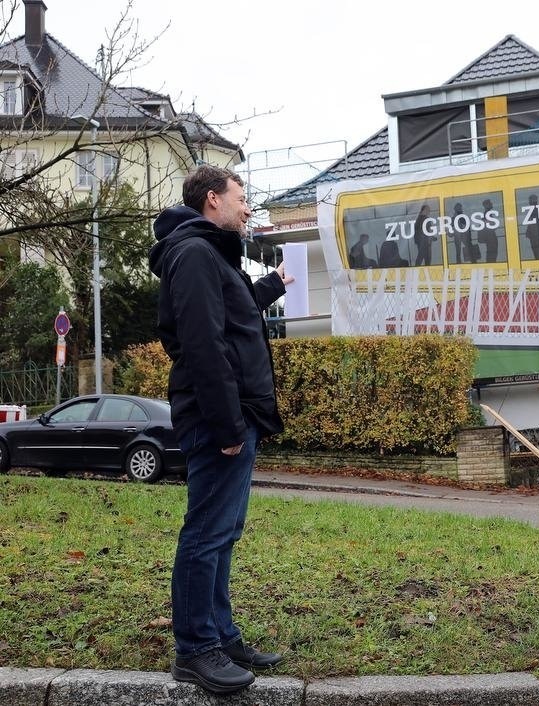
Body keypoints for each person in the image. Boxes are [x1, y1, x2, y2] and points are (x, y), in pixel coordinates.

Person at [148, 165, 294, 695]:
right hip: (219, 419)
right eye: (242, 196)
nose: (248, 207)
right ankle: (194, 649)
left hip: (236, 414)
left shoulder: (209, 253)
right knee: (206, 533)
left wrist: (272, 285)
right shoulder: (193, 253)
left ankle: (222, 636)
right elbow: (203, 344)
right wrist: (228, 424)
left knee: (223, 532)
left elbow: (233, 318)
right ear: (213, 199)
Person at [524, 193, 539, 260]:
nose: (529, 202)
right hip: (535, 232)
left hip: (536, 232)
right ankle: (538, 260)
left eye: (530, 200)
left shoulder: (536, 209)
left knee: (537, 249)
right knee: (537, 249)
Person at [478, 198, 499, 263]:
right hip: (490, 237)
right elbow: (492, 225)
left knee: (491, 254)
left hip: (489, 238)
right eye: (490, 203)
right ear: (486, 205)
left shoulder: (487, 214)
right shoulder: (487, 214)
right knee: (492, 254)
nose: (491, 204)